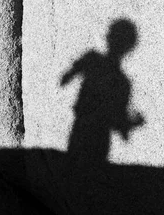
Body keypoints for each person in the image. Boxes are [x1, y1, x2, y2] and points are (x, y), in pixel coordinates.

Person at [61, 19, 144, 165]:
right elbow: (119, 124)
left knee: (74, 174)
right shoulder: (122, 83)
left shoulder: (92, 60)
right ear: (130, 47)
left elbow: (64, 79)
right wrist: (133, 123)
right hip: (98, 136)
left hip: (83, 129)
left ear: (108, 37)